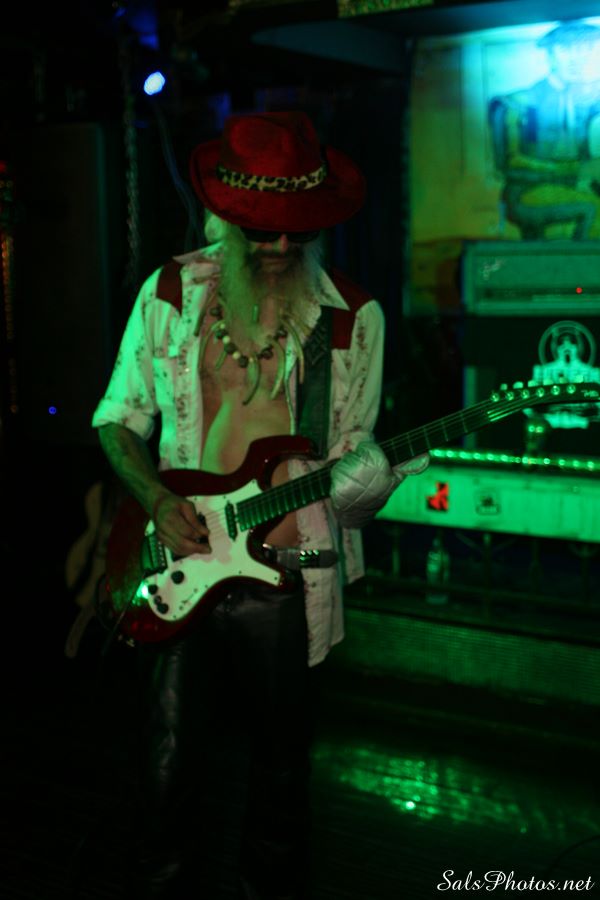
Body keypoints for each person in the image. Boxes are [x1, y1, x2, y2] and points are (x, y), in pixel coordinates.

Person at [92, 110, 428, 900]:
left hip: (291, 569)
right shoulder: (169, 293)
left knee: (282, 772)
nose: (279, 246)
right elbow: (117, 418)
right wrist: (154, 497)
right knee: (167, 765)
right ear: (227, 215)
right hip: (182, 564)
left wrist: (370, 482)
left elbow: (351, 469)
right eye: (260, 230)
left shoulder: (352, 318)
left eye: (296, 232)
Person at [489, 20, 600, 239]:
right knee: (595, 209)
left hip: (576, 187)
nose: (578, 58)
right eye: (565, 49)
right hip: (526, 193)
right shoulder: (516, 103)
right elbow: (510, 162)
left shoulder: (588, 104)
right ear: (549, 55)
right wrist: (577, 169)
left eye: (587, 49)